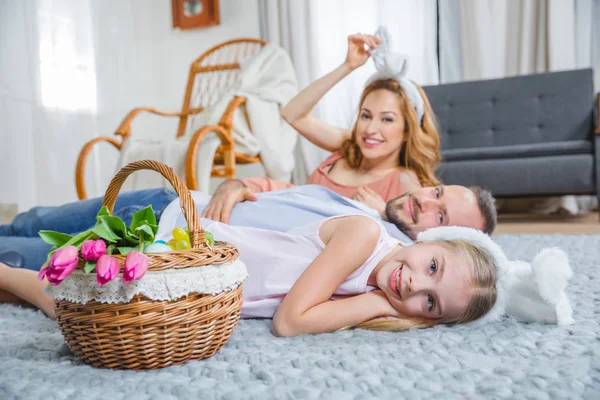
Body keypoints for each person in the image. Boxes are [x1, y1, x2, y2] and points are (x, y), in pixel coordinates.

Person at [0, 214, 501, 336]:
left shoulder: (379, 284)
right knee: (58, 286)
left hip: (189, 285)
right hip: (172, 241)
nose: (415, 285)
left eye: (430, 302)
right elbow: (290, 322)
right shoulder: (366, 236)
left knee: (71, 295)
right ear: (425, 241)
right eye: (432, 267)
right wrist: (377, 305)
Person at [0, 184, 497, 271]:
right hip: (169, 199)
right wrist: (235, 182)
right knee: (35, 219)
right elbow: (261, 182)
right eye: (436, 192)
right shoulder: (352, 200)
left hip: (153, 247)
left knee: (21, 257)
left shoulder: (370, 253)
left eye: (441, 216)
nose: (424, 203)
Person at [222, 29, 441, 208]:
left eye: (387, 120)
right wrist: (348, 66)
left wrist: (383, 215)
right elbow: (292, 114)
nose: (371, 129)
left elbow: (419, 244)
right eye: (366, 115)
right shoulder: (349, 145)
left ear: (407, 131)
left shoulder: (406, 181)